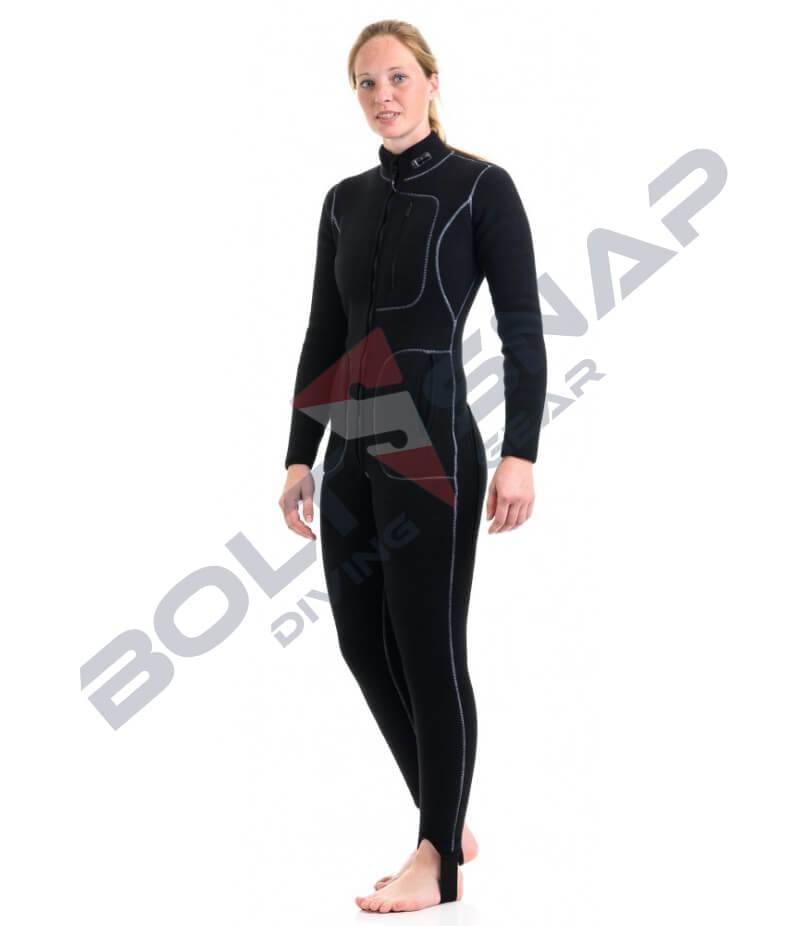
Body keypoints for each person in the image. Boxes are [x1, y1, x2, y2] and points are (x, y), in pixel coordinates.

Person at [278, 19, 547, 912]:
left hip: (433, 439)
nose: (383, 95)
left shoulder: (482, 188)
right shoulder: (343, 201)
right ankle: (448, 814)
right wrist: (298, 456)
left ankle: (436, 859)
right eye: (367, 83)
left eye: (398, 77)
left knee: (430, 648)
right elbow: (325, 332)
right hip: (354, 435)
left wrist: (520, 454)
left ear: (431, 82)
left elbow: (522, 330)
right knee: (363, 644)